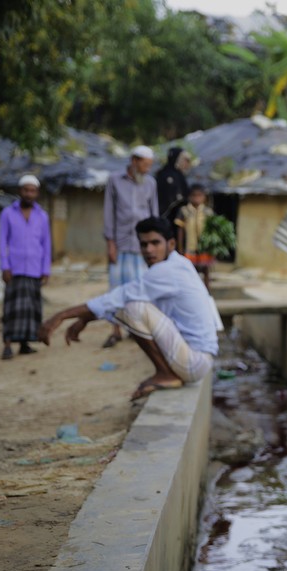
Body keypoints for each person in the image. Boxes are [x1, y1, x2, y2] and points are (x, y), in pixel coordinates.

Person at [38, 217, 218, 400]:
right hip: (197, 360)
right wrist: (84, 318)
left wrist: (60, 316)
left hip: (194, 361)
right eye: (144, 244)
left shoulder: (168, 271)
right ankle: (166, 372)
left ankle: (165, 373)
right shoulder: (178, 264)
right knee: (130, 306)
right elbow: (120, 301)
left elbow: (120, 298)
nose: (149, 250)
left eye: (155, 243)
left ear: (171, 244)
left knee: (132, 308)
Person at [103, 145, 159, 348]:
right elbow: (109, 212)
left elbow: (154, 214)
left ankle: (137, 329)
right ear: (134, 161)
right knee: (117, 288)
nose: (147, 170)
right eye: (145, 165)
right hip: (120, 243)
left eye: (150, 166)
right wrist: (110, 243)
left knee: (141, 289)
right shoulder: (114, 181)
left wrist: (154, 244)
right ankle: (115, 330)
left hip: (142, 246)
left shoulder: (151, 183)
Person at [0, 174, 52, 360]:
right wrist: (4, 266)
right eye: (26, 190)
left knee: (31, 308)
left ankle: (25, 343)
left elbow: (46, 244)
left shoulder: (42, 216)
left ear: (36, 193)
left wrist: (46, 269)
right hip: (14, 268)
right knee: (11, 308)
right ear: (20, 191)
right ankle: (7, 344)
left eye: (33, 191)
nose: (29, 194)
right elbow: (1, 242)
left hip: (35, 268)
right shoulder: (7, 213)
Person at [174, 183, 214, 290]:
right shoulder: (184, 211)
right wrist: (180, 248)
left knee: (205, 268)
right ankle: (190, 289)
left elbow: (212, 231)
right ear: (189, 197)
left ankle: (207, 291)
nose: (197, 198)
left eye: (199, 195)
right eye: (194, 195)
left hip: (204, 246)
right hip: (189, 246)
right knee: (190, 269)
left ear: (204, 197)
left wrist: (212, 246)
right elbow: (180, 230)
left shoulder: (208, 212)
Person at [156, 147, 191, 221]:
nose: (187, 163)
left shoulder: (180, 175)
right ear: (177, 159)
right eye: (185, 160)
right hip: (167, 217)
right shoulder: (166, 175)